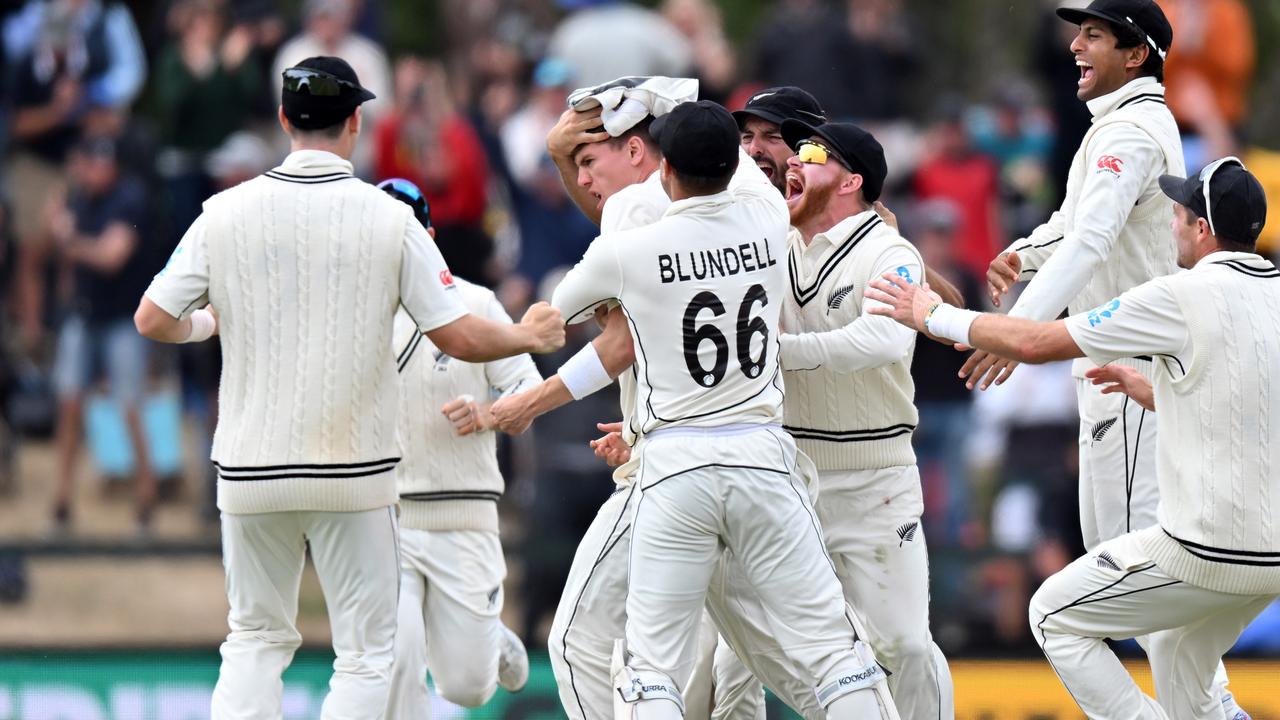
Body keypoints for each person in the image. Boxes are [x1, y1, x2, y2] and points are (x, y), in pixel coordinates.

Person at [133, 56, 564, 719]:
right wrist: (527, 339)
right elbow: (459, 336)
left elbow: (153, 318)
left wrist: (206, 326)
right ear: (356, 123)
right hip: (353, 471)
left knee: (253, 638)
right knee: (368, 654)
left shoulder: (223, 212)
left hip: (248, 465)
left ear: (283, 119)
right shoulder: (388, 218)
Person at [866, 156, 1277, 720]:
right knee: (1187, 676)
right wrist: (1155, 389)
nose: (1169, 223)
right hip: (1271, 561)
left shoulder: (1178, 294)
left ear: (1203, 229)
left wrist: (933, 314)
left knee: (1053, 615)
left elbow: (1037, 342)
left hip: (1202, 548)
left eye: (1178, 213)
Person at [545, 99, 896, 720]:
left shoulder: (628, 251)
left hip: (674, 464)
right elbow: (752, 176)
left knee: (652, 669)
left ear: (665, 171)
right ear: (734, 164)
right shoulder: (766, 220)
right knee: (835, 654)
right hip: (763, 457)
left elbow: (558, 315)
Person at [776, 119, 954, 720]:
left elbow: (882, 339)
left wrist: (779, 352)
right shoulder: (773, 244)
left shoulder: (887, 250)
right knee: (749, 656)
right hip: (793, 477)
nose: (793, 164)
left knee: (902, 644)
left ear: (852, 181)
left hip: (876, 480)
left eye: (811, 154)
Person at [376, 178, 539, 718]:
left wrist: (487, 413)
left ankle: (489, 639)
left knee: (467, 688)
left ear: (429, 234)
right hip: (383, 518)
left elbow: (527, 391)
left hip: (465, 516)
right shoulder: (354, 318)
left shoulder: (475, 303)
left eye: (407, 233)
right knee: (394, 670)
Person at [48, 134, 157, 535]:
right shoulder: (81, 199)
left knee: (130, 407)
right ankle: (61, 503)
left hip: (122, 320)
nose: (88, 172)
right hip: (84, 314)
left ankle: (145, 502)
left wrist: (67, 239)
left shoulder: (130, 199)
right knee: (69, 405)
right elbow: (69, 259)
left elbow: (112, 256)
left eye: (94, 165)